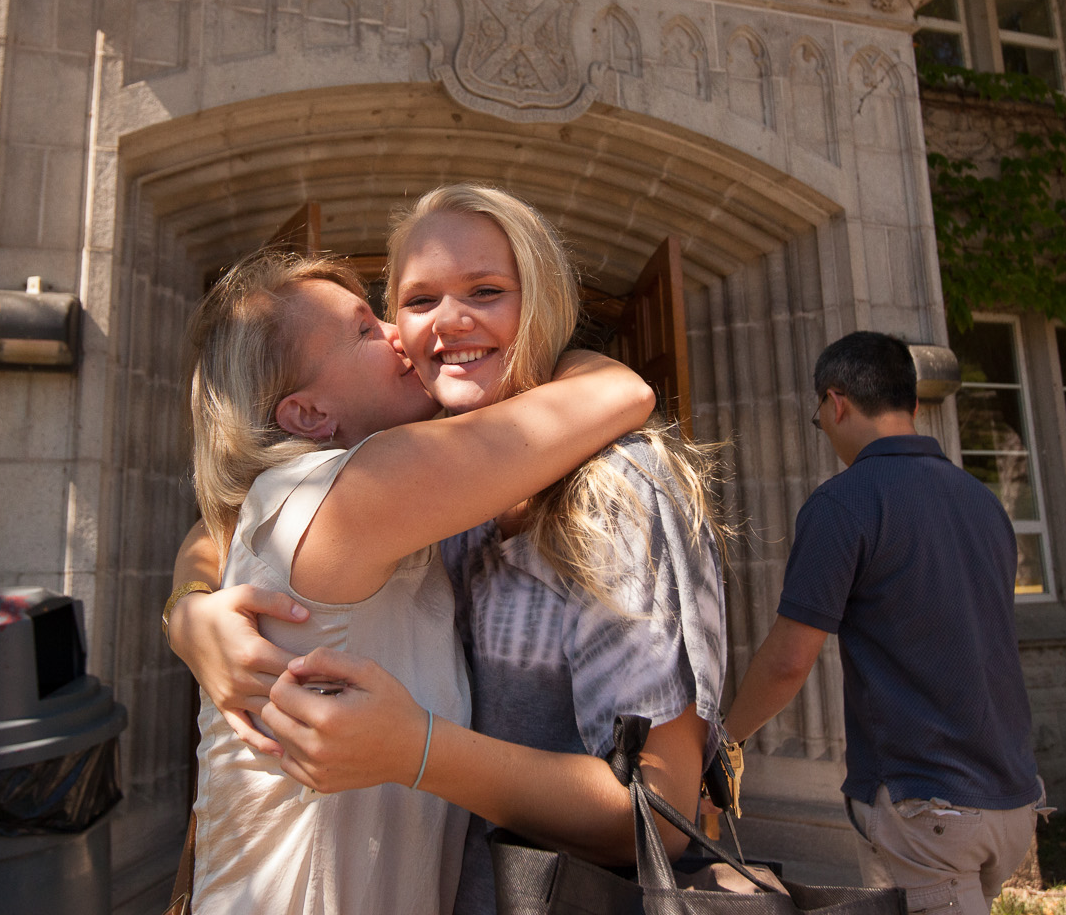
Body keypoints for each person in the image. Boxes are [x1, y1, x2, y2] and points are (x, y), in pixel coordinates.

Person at [169, 184, 728, 915]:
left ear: (541, 301)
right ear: (306, 413)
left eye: (489, 290)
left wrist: (188, 610)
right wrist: (189, 614)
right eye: (404, 308)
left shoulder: (607, 490)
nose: (421, 333)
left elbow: (658, 814)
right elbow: (226, 529)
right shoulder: (392, 491)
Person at [723, 331, 1045, 915]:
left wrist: (725, 741)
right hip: (1010, 799)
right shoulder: (982, 501)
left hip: (929, 806)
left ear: (836, 403)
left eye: (819, 417)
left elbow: (790, 659)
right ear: (915, 406)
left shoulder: (843, 503)